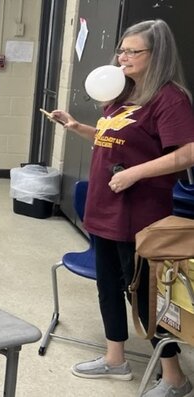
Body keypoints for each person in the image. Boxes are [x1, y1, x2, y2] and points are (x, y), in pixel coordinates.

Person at [51, 20, 194, 397]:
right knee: (108, 287)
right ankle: (116, 359)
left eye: (133, 51)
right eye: (122, 50)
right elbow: (109, 138)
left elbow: (186, 153)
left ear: (156, 55)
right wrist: (77, 126)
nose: (123, 57)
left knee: (144, 294)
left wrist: (134, 175)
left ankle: (175, 377)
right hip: (105, 207)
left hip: (140, 213)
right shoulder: (123, 92)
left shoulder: (169, 98)